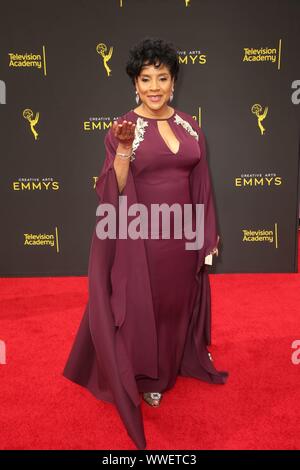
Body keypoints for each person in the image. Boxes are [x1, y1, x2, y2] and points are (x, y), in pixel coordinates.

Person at [63, 37, 228, 450]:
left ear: (173, 82)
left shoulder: (191, 125)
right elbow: (114, 188)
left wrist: (206, 235)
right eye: (145, 78)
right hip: (141, 234)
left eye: (162, 77)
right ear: (135, 83)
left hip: (182, 234)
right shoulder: (123, 127)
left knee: (176, 302)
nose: (154, 86)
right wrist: (121, 148)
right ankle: (147, 378)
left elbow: (202, 183)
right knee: (143, 306)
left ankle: (169, 367)